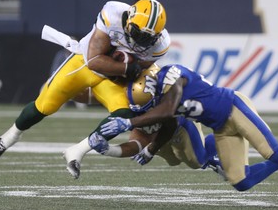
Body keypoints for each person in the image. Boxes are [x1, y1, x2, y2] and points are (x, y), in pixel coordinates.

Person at [99, 64, 278, 210]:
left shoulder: (171, 75)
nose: (150, 106)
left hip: (234, 108)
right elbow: (168, 121)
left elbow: (166, 110)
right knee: (241, 182)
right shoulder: (160, 98)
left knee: (271, 150)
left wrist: (129, 123)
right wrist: (150, 148)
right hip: (220, 127)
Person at [0, 0, 170, 163]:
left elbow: (139, 73)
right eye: (137, 32)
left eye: (147, 37)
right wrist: (127, 68)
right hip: (82, 63)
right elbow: (93, 61)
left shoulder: (159, 46)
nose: (140, 39)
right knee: (44, 105)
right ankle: (10, 137)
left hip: (112, 81)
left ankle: (78, 150)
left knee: (123, 115)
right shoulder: (112, 14)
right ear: (128, 17)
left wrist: (133, 75)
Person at [64, 65, 225, 179]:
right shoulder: (131, 103)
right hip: (159, 135)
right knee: (174, 161)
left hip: (180, 126)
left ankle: (214, 146)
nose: (144, 113)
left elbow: (169, 125)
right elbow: (137, 144)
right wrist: (108, 150)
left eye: (147, 107)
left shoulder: (165, 95)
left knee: (196, 161)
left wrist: (151, 149)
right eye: (140, 109)